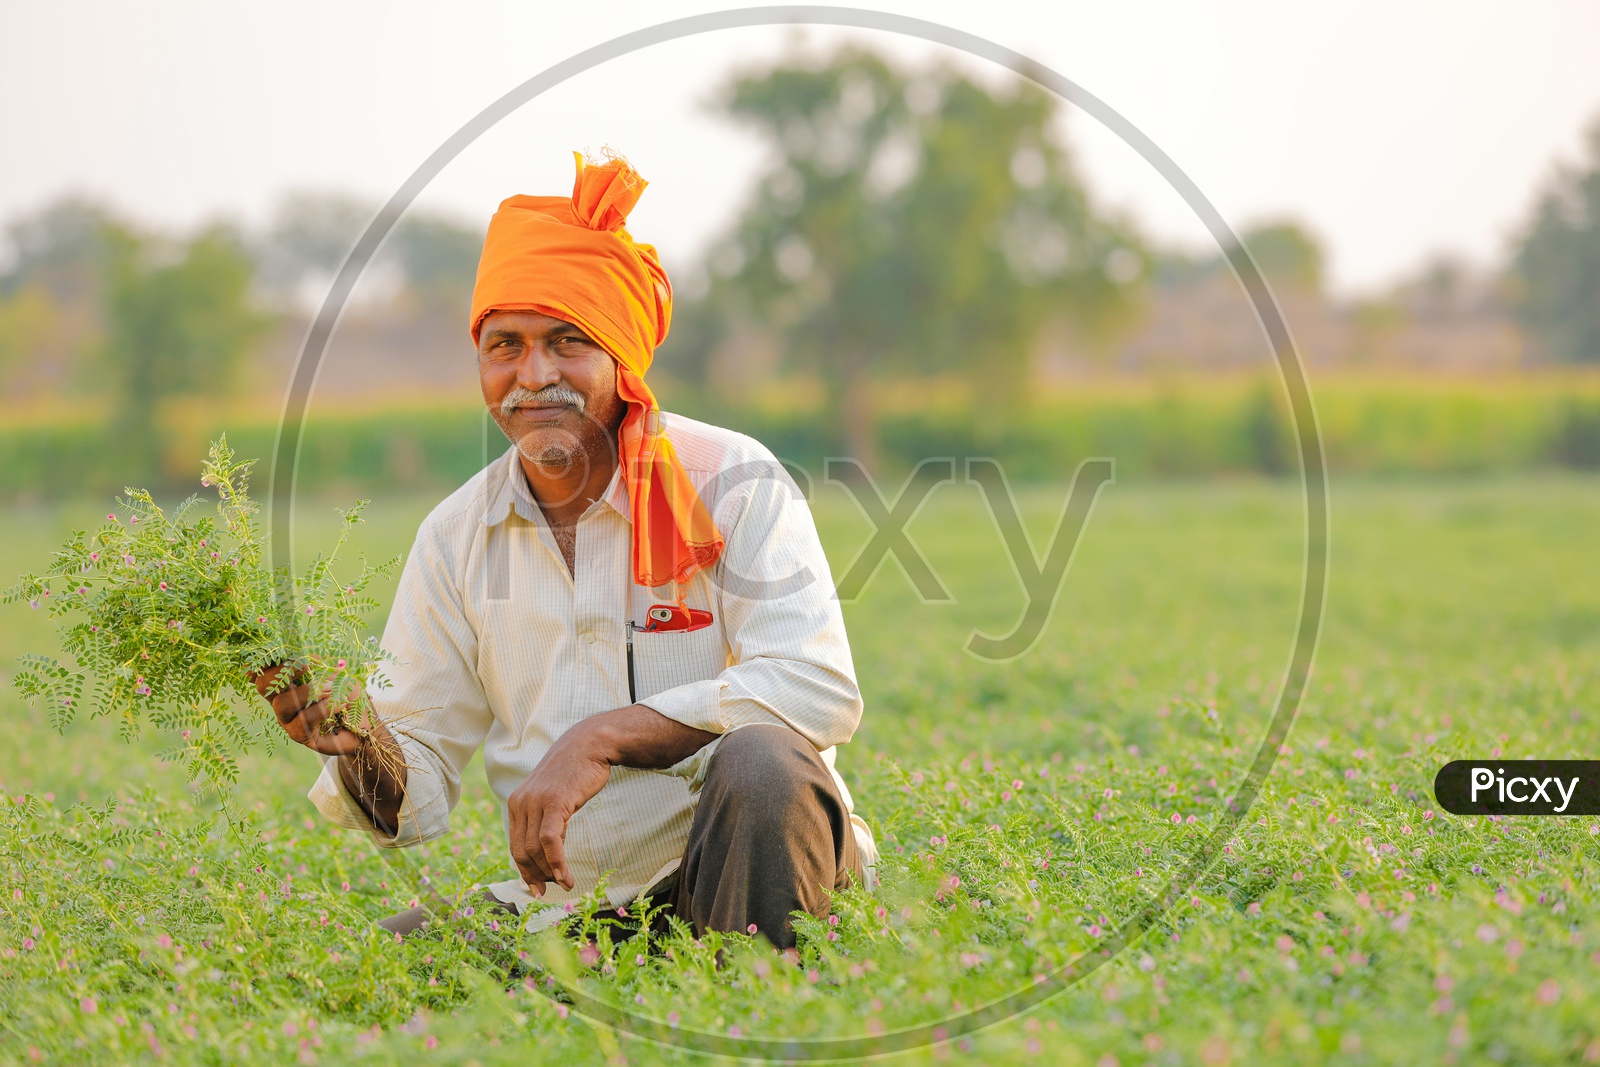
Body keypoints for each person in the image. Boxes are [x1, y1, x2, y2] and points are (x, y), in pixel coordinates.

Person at [252, 152, 874, 950]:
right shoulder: (456, 535)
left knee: (763, 762)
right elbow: (419, 789)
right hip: (576, 907)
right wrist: (355, 738)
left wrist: (602, 735)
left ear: (623, 355)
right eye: (504, 344)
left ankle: (764, 993)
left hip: (750, 870)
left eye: (567, 341)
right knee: (379, 966)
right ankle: (642, 970)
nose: (533, 374)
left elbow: (816, 687)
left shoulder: (733, 480)